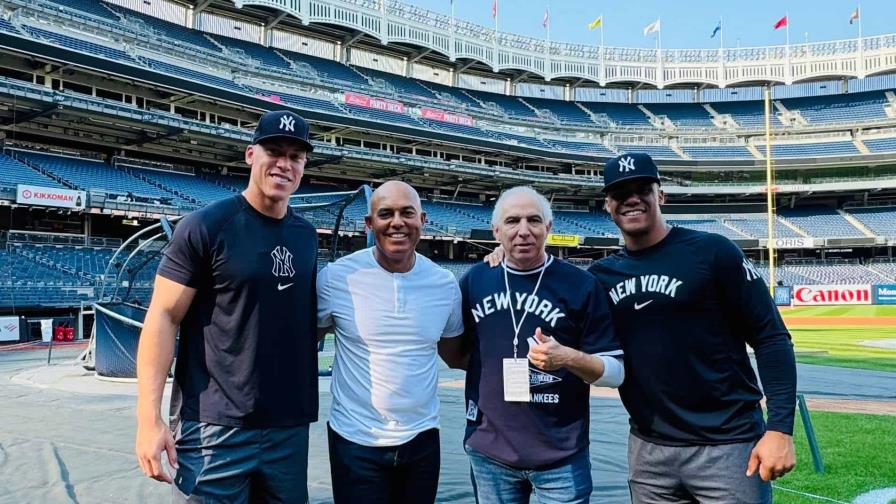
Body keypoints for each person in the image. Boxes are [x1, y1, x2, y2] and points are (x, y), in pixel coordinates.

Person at [487, 153, 797, 503]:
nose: (631, 198)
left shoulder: (712, 252)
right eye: (620, 193)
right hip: (649, 449)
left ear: (660, 195)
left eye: (642, 189)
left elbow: (771, 338)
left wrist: (780, 428)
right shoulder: (600, 278)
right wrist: (506, 255)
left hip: (727, 444)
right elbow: (548, 300)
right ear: (608, 204)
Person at [135, 110, 319, 503]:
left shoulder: (306, 236)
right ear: (251, 154)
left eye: (295, 156)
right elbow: (163, 317)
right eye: (274, 150)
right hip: (214, 428)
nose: (284, 163)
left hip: (288, 428)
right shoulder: (206, 226)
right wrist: (148, 418)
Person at [452, 186, 624, 504]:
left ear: (548, 227)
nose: (523, 230)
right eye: (512, 221)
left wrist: (568, 357)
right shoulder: (475, 281)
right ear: (496, 231)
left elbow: (614, 374)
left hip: (562, 454)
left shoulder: (581, 284)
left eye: (533, 220)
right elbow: (458, 353)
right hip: (490, 453)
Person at [316, 181, 464, 504]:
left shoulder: (444, 284)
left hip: (422, 439)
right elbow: (303, 341)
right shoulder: (336, 278)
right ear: (370, 224)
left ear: (422, 221)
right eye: (386, 214)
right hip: (355, 440)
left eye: (407, 213)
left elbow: (455, 354)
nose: (397, 222)